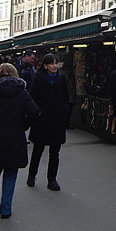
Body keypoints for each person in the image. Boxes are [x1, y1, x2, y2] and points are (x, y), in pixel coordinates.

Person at [0, 63, 40, 218]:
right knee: (10, 174)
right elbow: (34, 112)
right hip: (14, 138)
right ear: (15, 74)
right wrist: (24, 123)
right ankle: (6, 209)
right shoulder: (22, 92)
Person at [27, 53, 71, 191]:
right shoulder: (38, 79)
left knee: (55, 152)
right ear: (45, 66)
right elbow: (32, 97)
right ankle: (31, 175)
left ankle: (52, 180)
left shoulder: (61, 79)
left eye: (56, 63)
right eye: (52, 63)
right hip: (42, 120)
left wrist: (64, 109)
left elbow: (66, 97)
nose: (55, 66)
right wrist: (38, 112)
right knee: (38, 150)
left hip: (57, 120)